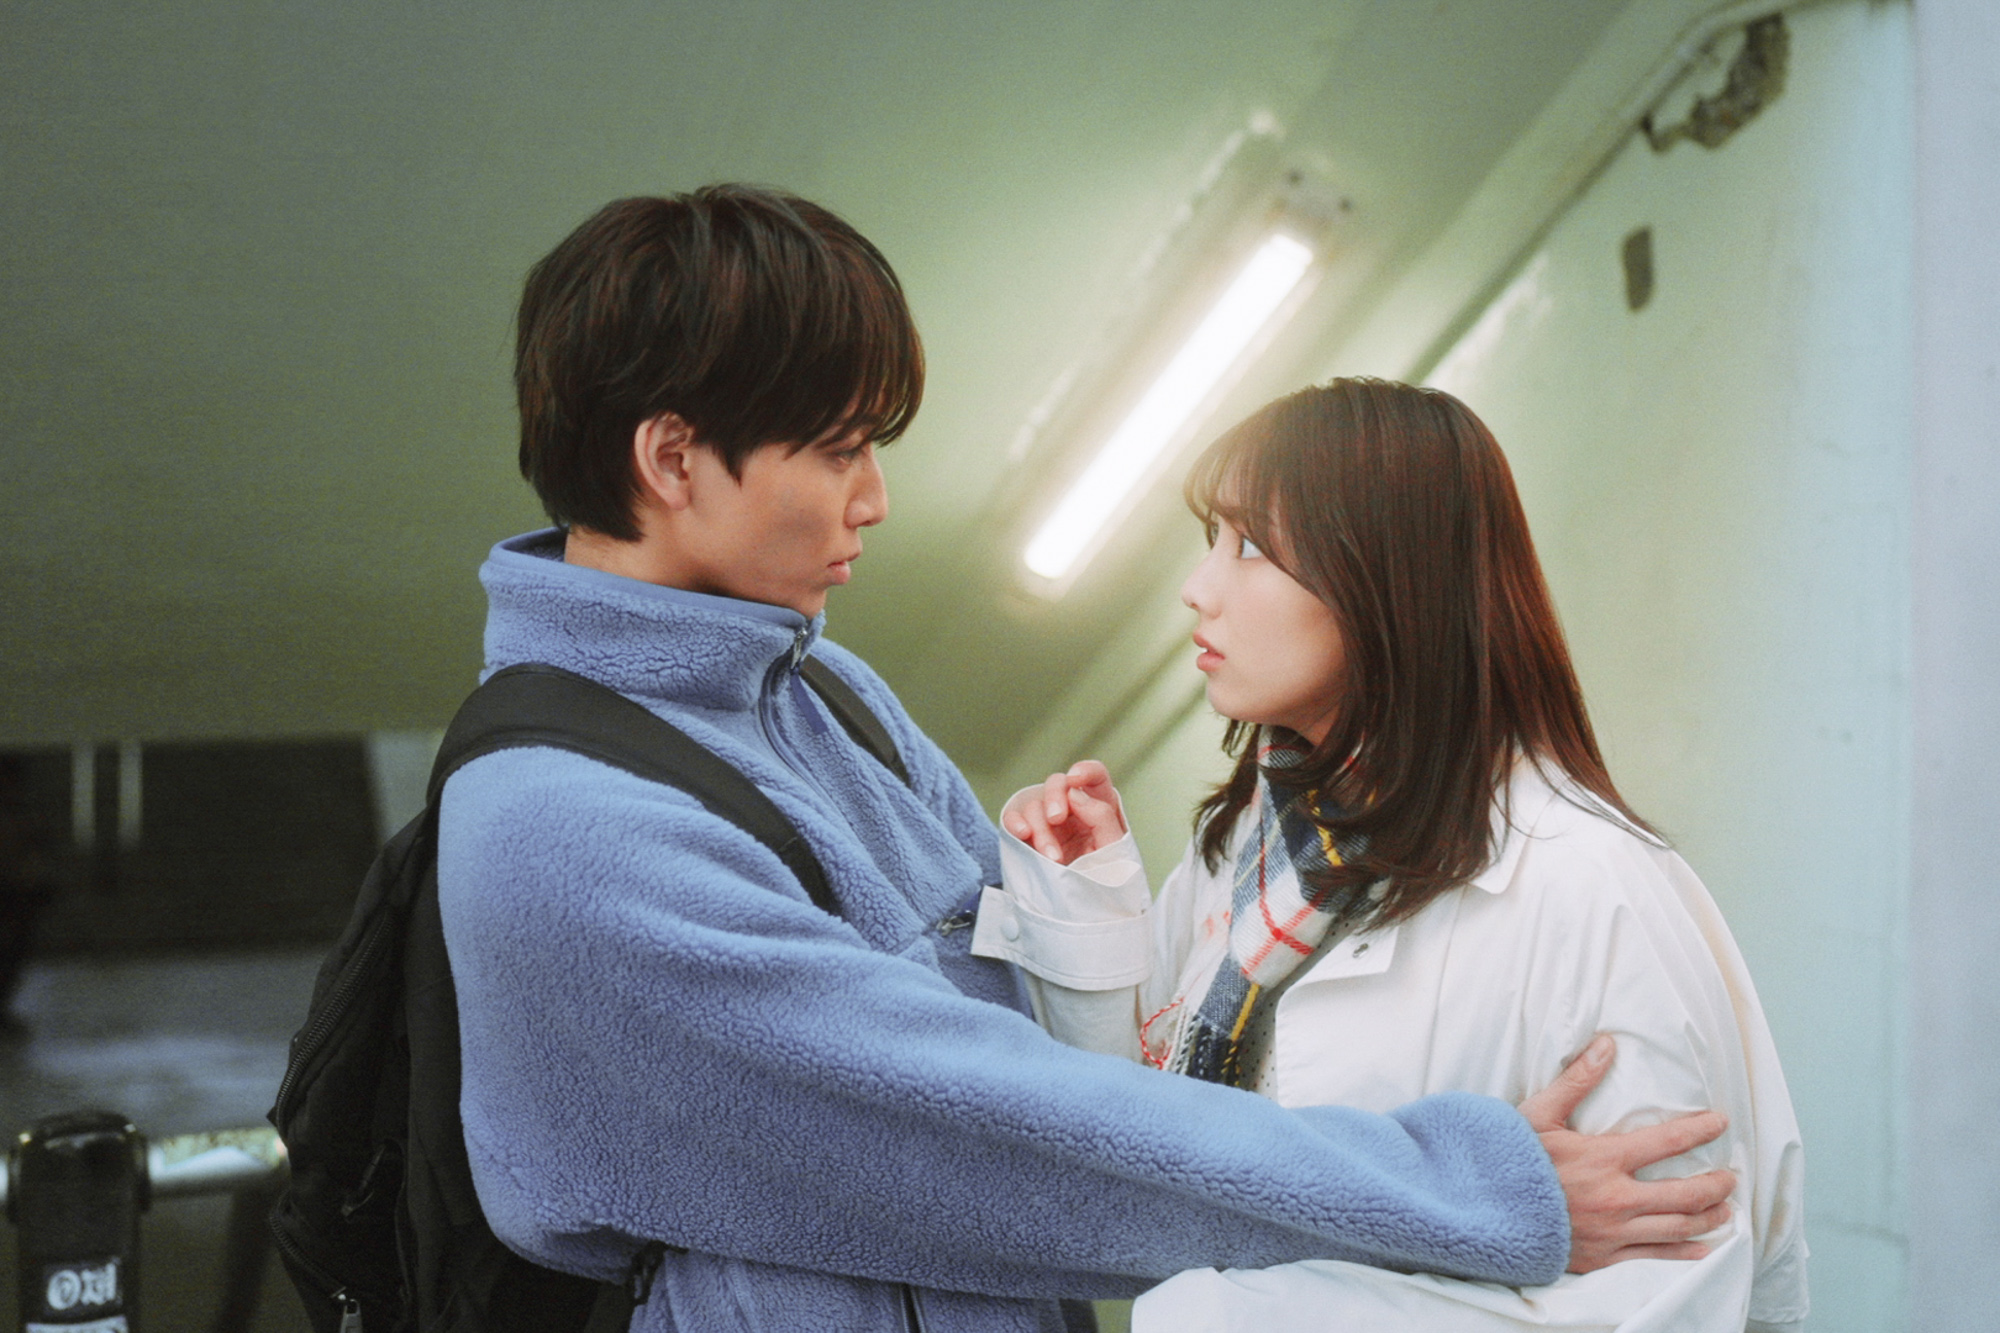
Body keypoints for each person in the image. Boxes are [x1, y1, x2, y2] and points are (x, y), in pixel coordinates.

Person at [435, 188, 1738, 1333]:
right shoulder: (559, 827)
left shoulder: (826, 691)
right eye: (839, 449)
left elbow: (1049, 1071)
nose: (874, 497)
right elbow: (995, 1139)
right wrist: (1476, 1186)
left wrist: (1079, 917)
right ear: (671, 459)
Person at [983, 379, 1807, 1331]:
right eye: (1212, 539)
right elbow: (1136, 1158)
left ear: (1386, 580)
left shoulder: (1585, 883)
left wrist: (1228, 1313)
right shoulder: (1248, 859)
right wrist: (1087, 908)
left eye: (1250, 546)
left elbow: (1676, 1297)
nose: (1198, 587)